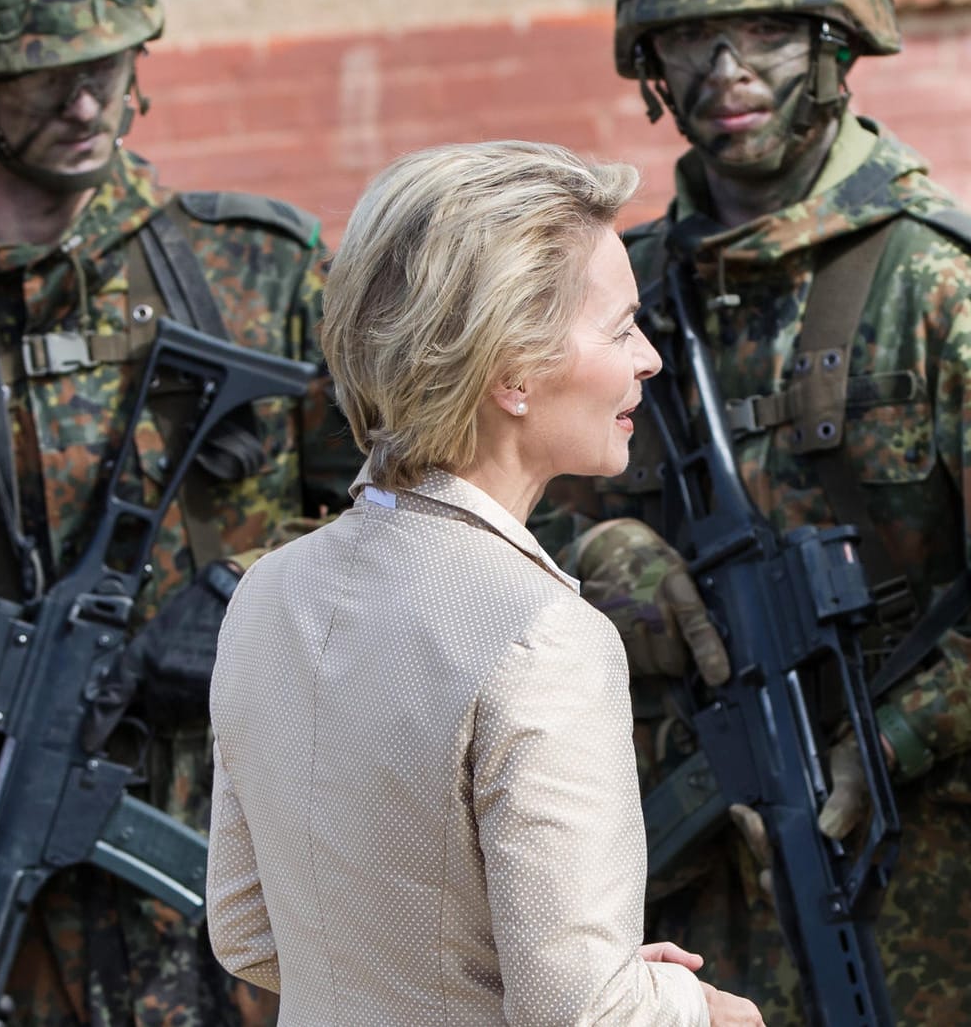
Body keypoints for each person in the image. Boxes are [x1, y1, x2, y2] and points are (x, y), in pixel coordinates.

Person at [533, 0, 971, 1021]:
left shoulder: (949, 287)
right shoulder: (617, 290)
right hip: (696, 892)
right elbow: (492, 513)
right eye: (692, 41)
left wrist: (883, 743)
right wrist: (594, 559)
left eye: (770, 38)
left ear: (837, 43)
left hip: (942, 876)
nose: (728, 72)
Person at [0, 0, 356, 1022]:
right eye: (45, 74)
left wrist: (251, 587)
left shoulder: (262, 273)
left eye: (108, 62)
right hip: (18, 947)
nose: (90, 99)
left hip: (283, 912)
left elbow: (417, 508)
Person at [206, 141, 762, 1027]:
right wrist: (691, 1006)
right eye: (620, 328)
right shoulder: (545, 637)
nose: (648, 358)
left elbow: (248, 931)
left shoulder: (265, 594)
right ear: (511, 370)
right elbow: (586, 1015)